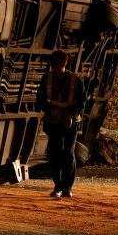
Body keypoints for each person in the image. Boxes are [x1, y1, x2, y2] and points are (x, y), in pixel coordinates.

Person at [37, 50, 86, 198]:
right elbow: (40, 99)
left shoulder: (75, 80)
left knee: (68, 153)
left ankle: (67, 187)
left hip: (70, 122)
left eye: (57, 63)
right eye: (53, 63)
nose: (54, 66)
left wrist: (72, 115)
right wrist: (49, 110)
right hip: (53, 121)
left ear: (64, 63)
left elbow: (82, 101)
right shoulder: (47, 79)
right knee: (56, 153)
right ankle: (58, 185)